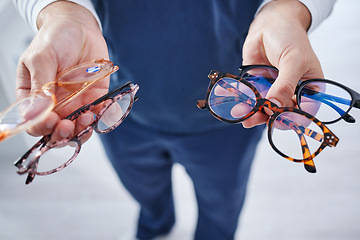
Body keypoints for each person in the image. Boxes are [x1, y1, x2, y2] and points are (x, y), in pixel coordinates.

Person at [13, 0, 336, 239]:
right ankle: (156, 223)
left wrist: (288, 11)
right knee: (143, 189)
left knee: (221, 205)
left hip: (231, 115)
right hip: (118, 110)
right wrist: (61, 11)